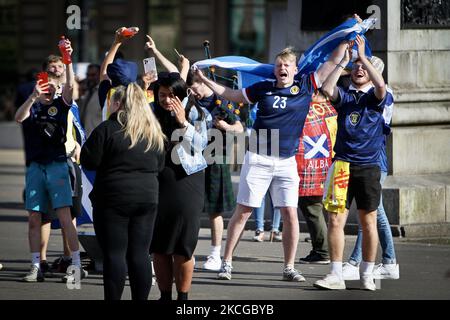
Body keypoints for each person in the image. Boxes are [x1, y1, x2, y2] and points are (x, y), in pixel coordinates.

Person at [194, 42, 349, 282]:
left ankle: (289, 268)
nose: (282, 68)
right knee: (244, 211)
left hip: (286, 161)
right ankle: (226, 263)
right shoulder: (263, 88)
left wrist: (347, 38)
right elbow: (232, 95)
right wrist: (206, 81)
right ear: (274, 70)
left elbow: (330, 62)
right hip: (258, 157)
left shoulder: (307, 85)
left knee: (290, 213)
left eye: (287, 65)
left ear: (296, 69)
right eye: (278, 65)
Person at [314, 36, 394, 291]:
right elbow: (327, 89)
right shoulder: (346, 97)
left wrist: (363, 56)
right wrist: (344, 62)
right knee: (335, 220)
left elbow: (380, 84)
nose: (359, 69)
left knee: (368, 221)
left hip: (369, 167)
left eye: (364, 66)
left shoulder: (378, 97)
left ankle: (368, 272)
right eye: (357, 66)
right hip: (342, 166)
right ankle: (336, 274)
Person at [80, 82, 165, 300]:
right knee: (140, 254)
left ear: (118, 103)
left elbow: (89, 160)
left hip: (113, 198)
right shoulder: (153, 131)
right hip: (147, 197)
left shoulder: (108, 128)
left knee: (114, 255)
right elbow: (160, 165)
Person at [15, 39, 87, 283]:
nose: (49, 90)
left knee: (65, 217)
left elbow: (70, 88)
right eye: (45, 86)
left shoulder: (62, 103)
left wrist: (67, 59)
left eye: (52, 88)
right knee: (34, 217)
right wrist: (34, 97)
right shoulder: (34, 106)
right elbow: (18, 117)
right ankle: (36, 265)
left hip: (57, 165)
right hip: (36, 166)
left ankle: (75, 264)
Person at [150, 72, 208, 300]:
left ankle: (182, 298)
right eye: (162, 95)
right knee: (159, 245)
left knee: (183, 246)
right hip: (155, 182)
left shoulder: (196, 112)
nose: (166, 100)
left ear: (182, 95)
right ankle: (165, 296)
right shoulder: (149, 113)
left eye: (171, 95)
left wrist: (183, 122)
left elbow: (202, 145)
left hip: (187, 182)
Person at [341, 56, 399, 281]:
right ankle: (388, 262)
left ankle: (357, 262)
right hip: (370, 159)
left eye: (366, 68)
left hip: (374, 159)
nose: (359, 71)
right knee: (375, 212)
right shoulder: (364, 93)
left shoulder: (382, 93)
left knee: (371, 213)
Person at [186, 69, 243, 271]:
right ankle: (186, 253)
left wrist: (225, 127)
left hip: (215, 157)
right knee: (189, 209)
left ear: (202, 83)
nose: (192, 93)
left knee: (214, 210)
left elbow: (240, 128)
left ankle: (215, 254)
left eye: (194, 88)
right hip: (191, 159)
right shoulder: (189, 102)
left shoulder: (223, 102)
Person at [296, 89, 336, 265]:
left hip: (309, 167)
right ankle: (329, 250)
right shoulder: (331, 108)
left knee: (312, 208)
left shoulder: (305, 110)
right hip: (330, 164)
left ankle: (322, 251)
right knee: (329, 212)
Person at [78, 64, 102, 138]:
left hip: (96, 137)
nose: (90, 78)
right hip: (83, 137)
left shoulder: (103, 93)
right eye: (88, 75)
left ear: (100, 75)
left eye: (93, 75)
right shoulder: (88, 92)